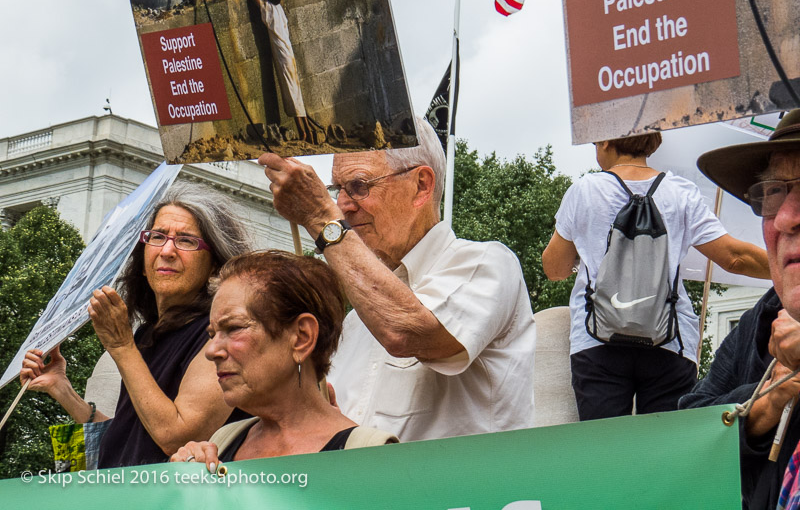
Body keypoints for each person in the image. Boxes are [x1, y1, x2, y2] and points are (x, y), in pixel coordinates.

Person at [257, 116, 536, 442]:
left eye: (359, 186)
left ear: (421, 186)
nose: (342, 206)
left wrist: (321, 218)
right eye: (336, 190)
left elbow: (404, 332)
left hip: (463, 490)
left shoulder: (488, 264)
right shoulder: (356, 323)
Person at [20, 184, 252, 468]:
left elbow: (175, 438)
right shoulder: (148, 334)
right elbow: (132, 440)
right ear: (142, 261)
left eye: (187, 241)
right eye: (157, 237)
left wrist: (121, 346)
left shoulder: (218, 336)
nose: (167, 250)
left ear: (215, 265)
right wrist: (62, 390)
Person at [542, 132, 769, 421]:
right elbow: (735, 258)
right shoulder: (681, 192)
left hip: (597, 339)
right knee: (666, 450)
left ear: (606, 141)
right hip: (670, 339)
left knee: (604, 450)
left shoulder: (585, 190)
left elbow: (554, 269)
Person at [170, 251, 397, 469]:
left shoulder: (369, 455)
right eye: (212, 334)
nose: (211, 351)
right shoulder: (224, 440)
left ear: (301, 337)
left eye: (234, 328)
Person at [678, 109, 800, 509]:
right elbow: (686, 434)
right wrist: (767, 400)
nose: (785, 217)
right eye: (773, 193)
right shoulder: (760, 321)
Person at [251, 0, 315, 144]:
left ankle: (303, 132)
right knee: (296, 94)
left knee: (291, 94)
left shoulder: (269, 9)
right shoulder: (277, 8)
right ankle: (308, 131)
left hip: (282, 57)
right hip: (288, 54)